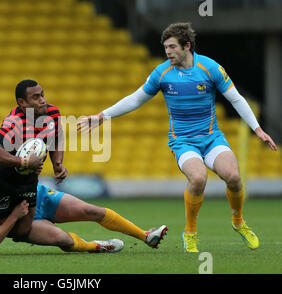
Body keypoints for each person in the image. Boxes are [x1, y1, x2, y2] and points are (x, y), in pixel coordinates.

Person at [77, 22, 277, 253]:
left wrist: (257, 129)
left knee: (233, 177)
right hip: (183, 141)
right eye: (165, 48)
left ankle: (239, 222)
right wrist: (103, 116)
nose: (168, 52)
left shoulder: (210, 68)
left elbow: (236, 98)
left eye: (172, 47)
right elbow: (136, 98)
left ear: (187, 46)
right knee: (198, 179)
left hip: (212, 138)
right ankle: (190, 233)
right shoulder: (162, 74)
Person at [0, 152, 167, 254]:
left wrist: (53, 163)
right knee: (64, 241)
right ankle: (96, 246)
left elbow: (28, 158)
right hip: (20, 221)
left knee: (91, 210)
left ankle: (146, 236)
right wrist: (15, 216)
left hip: (41, 198)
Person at [0, 79, 68, 240]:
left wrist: (57, 163)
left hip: (27, 178)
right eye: (36, 97)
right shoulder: (14, 122)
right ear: (22, 102)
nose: (43, 100)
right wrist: (24, 162)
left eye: (42, 94)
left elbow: (57, 136)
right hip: (1, 179)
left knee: (22, 232)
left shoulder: (52, 113)